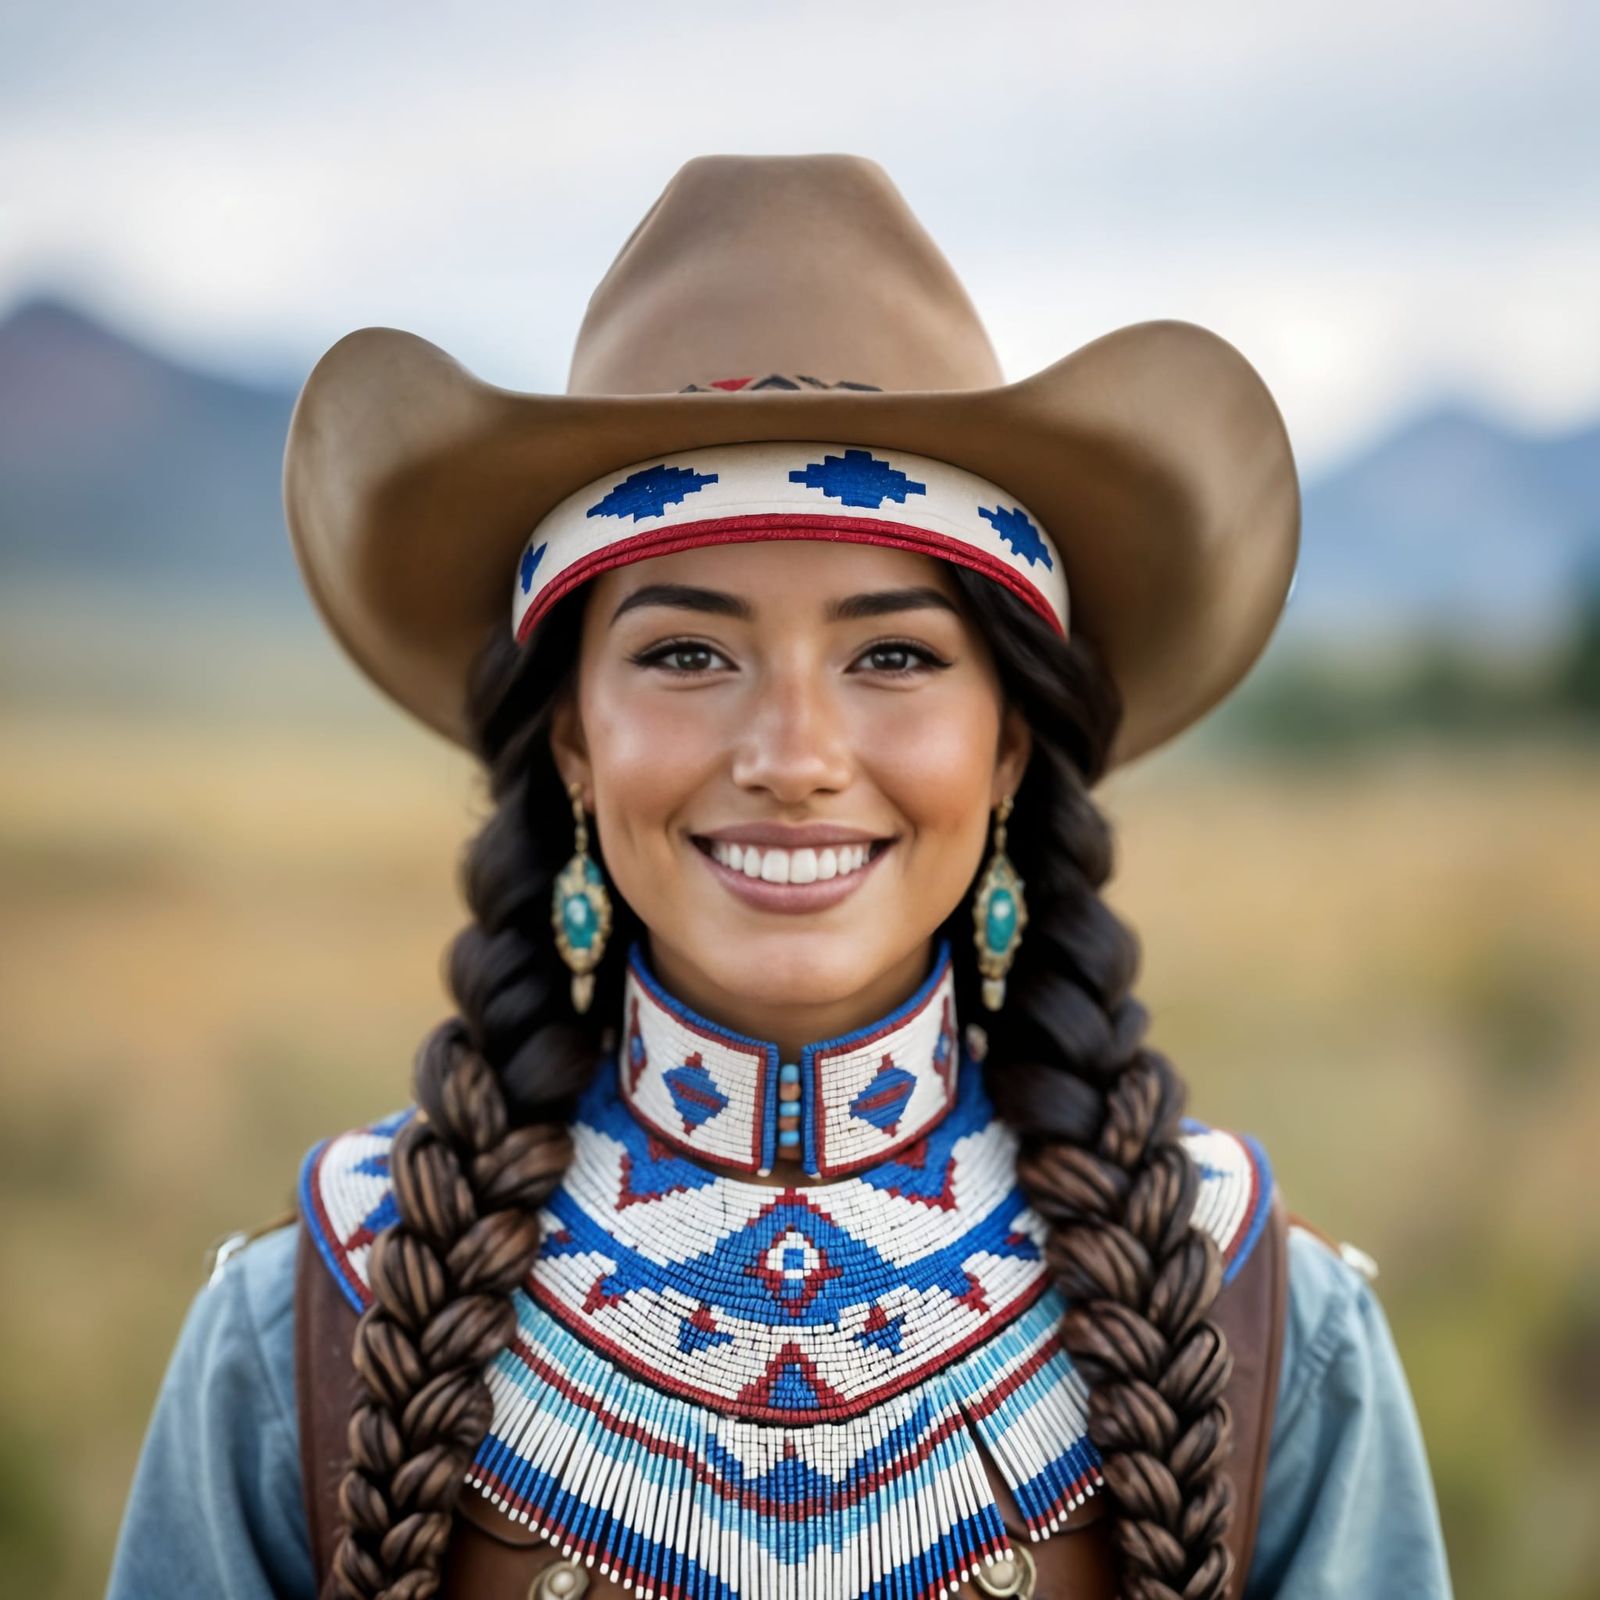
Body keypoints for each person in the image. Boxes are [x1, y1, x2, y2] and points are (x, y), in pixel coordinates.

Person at [107, 155, 1454, 1600]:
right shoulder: (315, 1322)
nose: (794, 754)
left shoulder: (1255, 1323)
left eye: (895, 656)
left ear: (1008, 745)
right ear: (572, 736)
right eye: (687, 652)